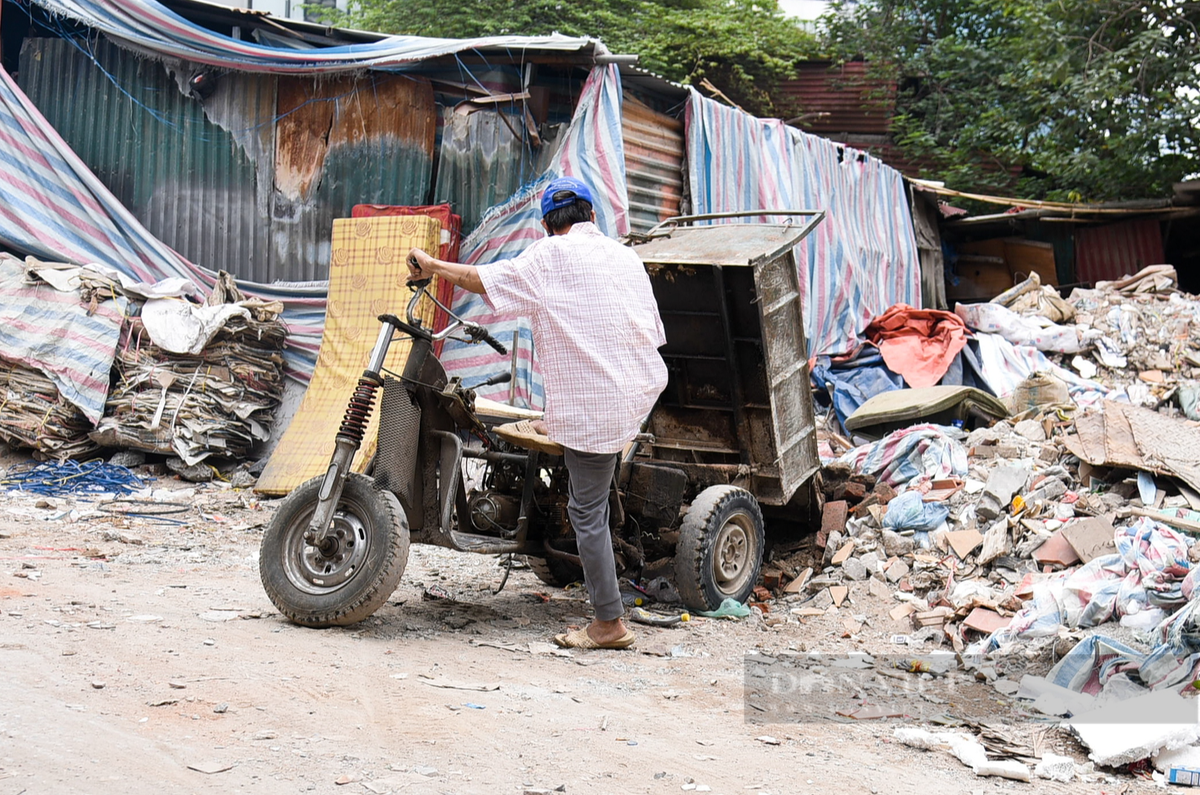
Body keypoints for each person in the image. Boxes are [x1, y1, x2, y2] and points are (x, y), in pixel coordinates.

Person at [406, 176, 668, 650]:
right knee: (582, 468)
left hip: (599, 407)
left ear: (548, 225)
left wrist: (431, 265)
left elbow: (483, 280)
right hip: (635, 395)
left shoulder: (549, 256)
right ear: (591, 216)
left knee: (584, 511)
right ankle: (569, 424)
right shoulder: (626, 257)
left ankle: (608, 624)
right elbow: (648, 333)